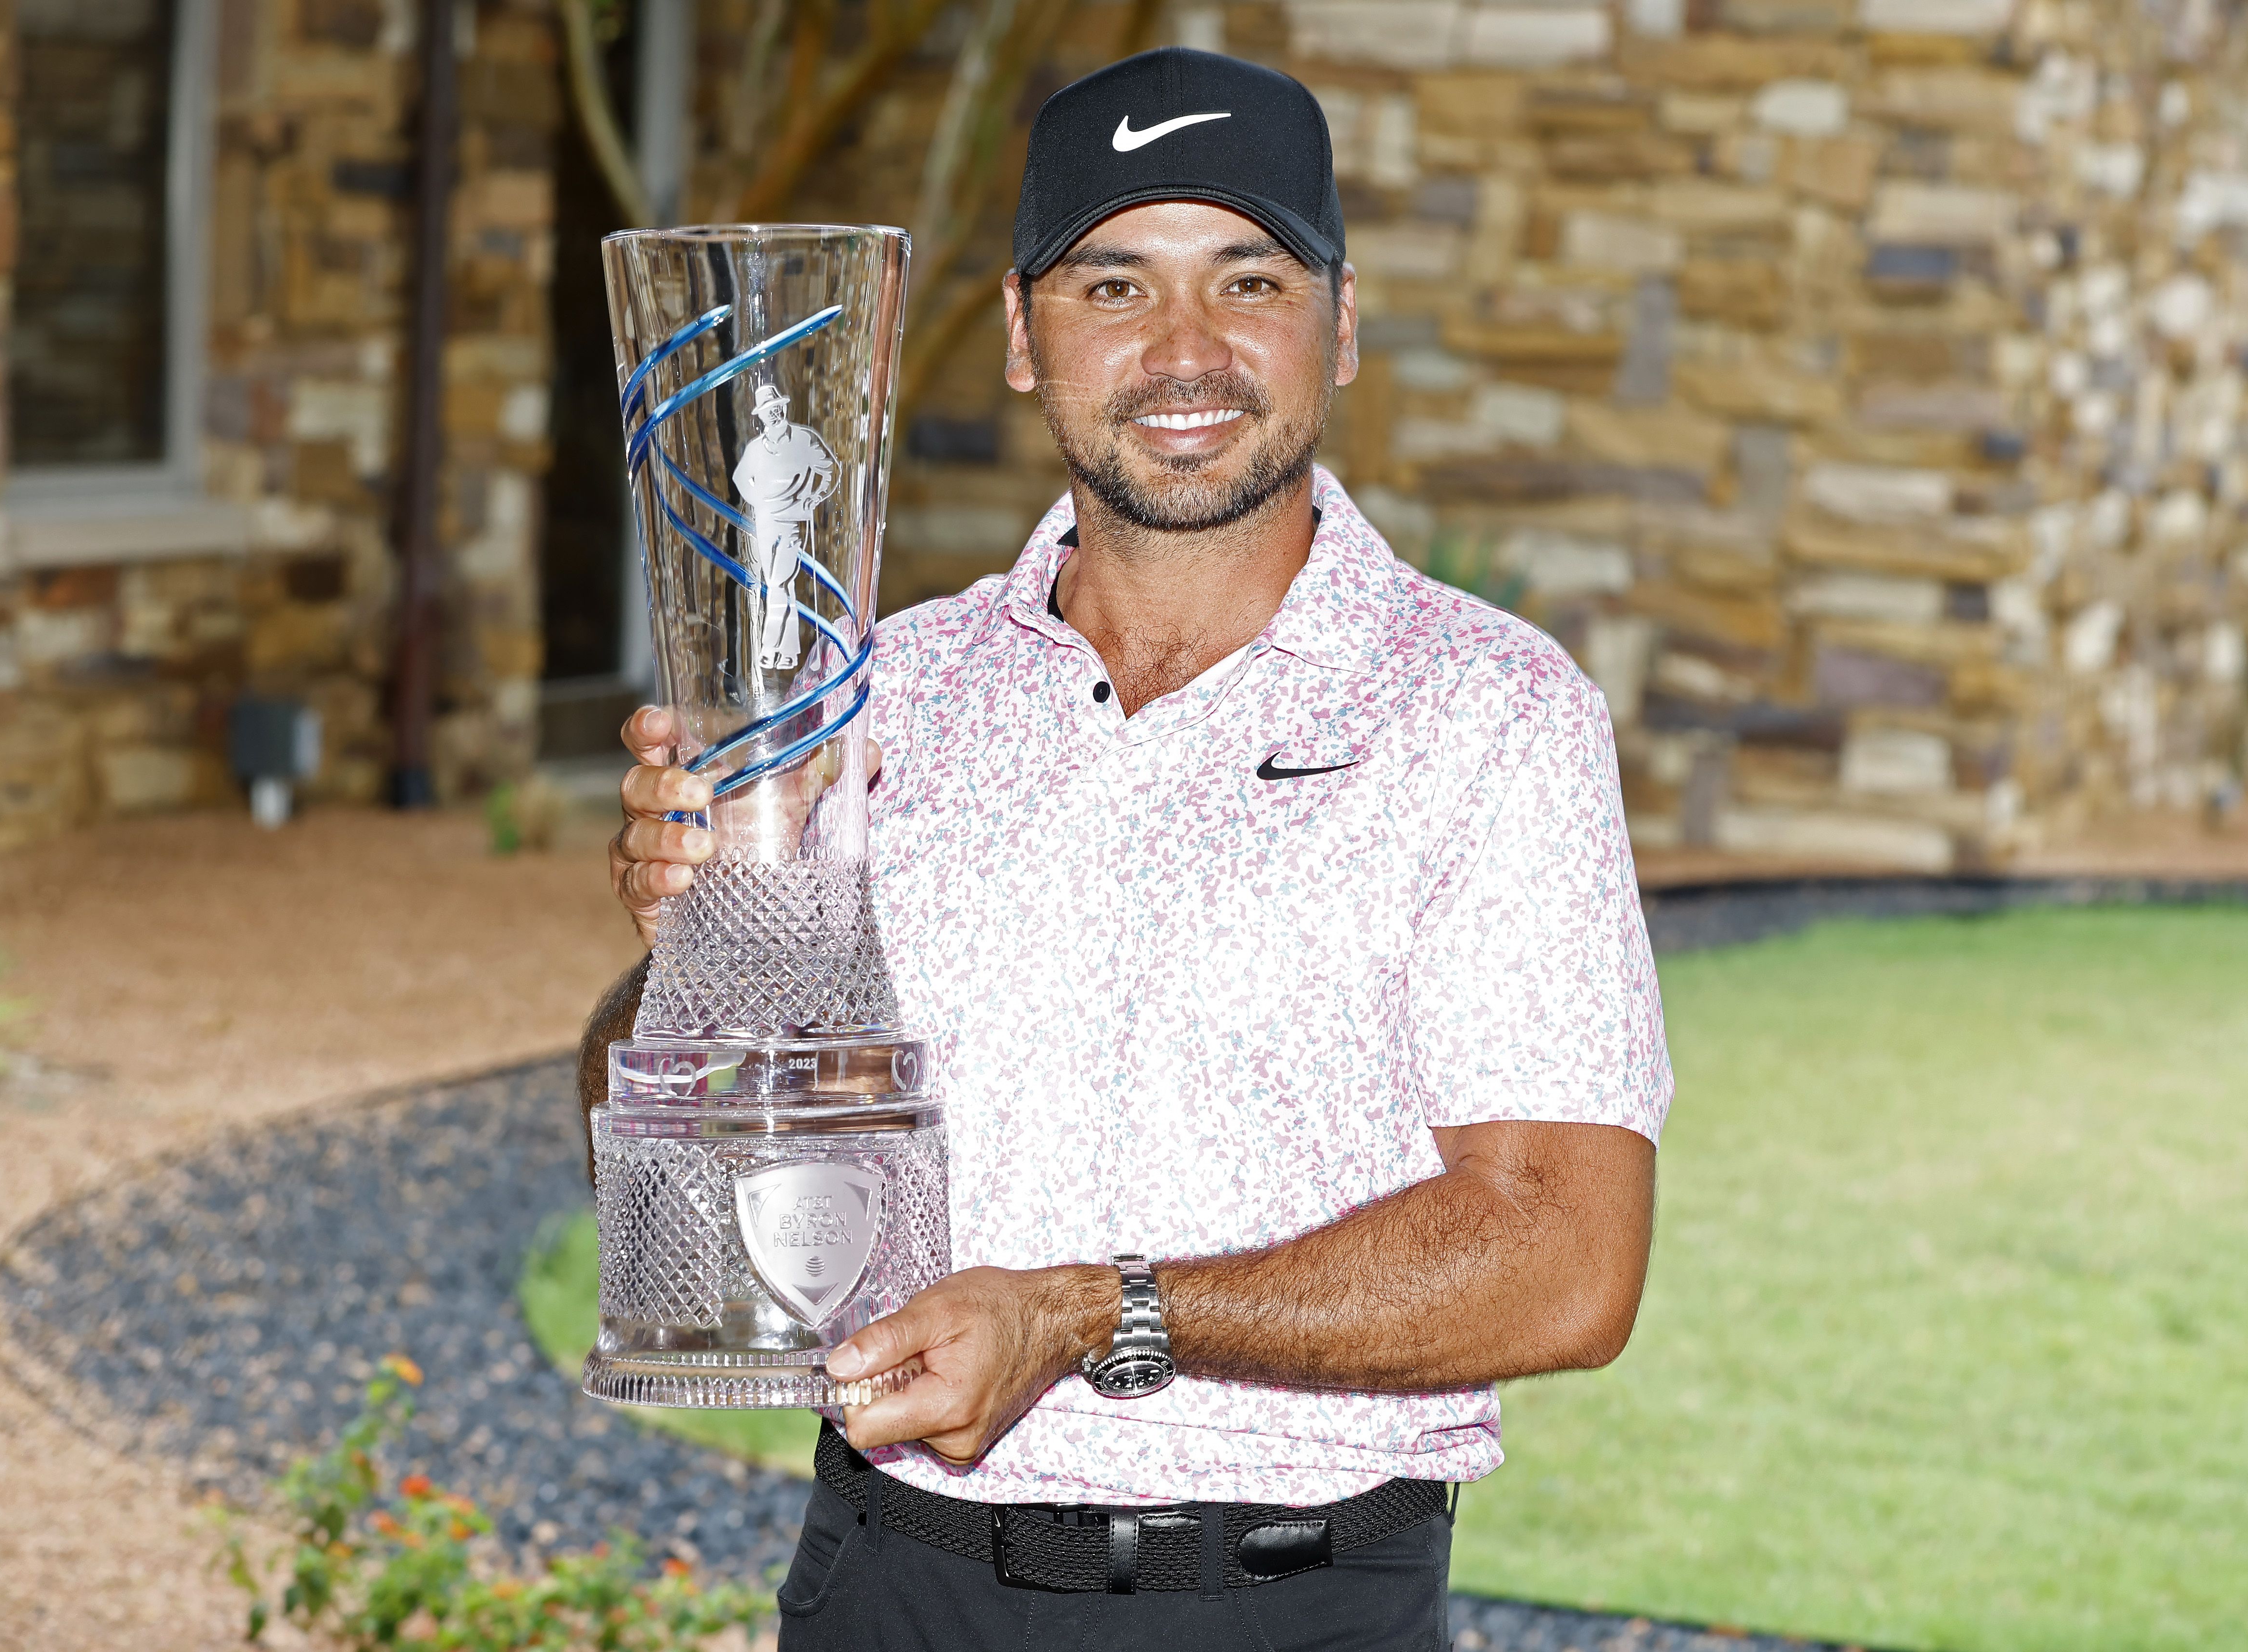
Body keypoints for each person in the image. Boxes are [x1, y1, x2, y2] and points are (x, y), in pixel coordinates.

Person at [592, 46, 1672, 1652]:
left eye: (1248, 279)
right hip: (886, 1582)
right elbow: (696, 1224)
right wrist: (705, 937)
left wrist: (1092, 1313)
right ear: (1024, 338)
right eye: (1114, 284)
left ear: (1342, 323)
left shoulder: (1489, 712)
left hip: (1290, 1609)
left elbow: (1563, 1257)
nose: (1185, 350)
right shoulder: (873, 688)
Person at [732, 381, 839, 670]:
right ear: (761, 416)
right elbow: (740, 479)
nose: (774, 414)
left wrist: (816, 497)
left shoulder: (804, 440)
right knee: (782, 586)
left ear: (784, 407)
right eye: (768, 411)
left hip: (793, 521)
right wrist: (758, 502)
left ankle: (767, 649)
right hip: (765, 522)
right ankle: (791, 653)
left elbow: (830, 471)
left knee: (779, 582)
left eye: (776, 408)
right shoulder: (756, 448)